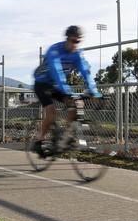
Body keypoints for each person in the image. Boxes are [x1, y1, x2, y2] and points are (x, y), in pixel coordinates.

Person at [33, 25, 101, 157]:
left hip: (57, 86)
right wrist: (67, 92)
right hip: (42, 83)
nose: (76, 44)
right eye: (73, 41)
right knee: (51, 113)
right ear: (67, 39)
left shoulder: (77, 54)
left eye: (78, 41)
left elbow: (86, 73)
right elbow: (57, 72)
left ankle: (65, 137)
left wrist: (95, 92)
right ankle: (39, 139)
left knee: (77, 104)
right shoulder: (54, 51)